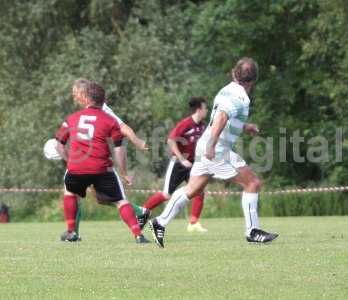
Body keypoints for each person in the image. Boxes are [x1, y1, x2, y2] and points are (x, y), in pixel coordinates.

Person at [149, 57, 279, 247]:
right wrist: (212, 145)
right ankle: (252, 231)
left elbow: (225, 117)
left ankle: (159, 222)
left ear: (234, 73)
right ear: (254, 80)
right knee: (253, 182)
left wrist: (244, 126)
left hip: (204, 145)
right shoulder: (241, 97)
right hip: (216, 149)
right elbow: (221, 117)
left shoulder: (226, 89)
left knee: (191, 190)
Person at [55, 81, 149, 243]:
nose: (74, 96)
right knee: (112, 198)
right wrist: (124, 172)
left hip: (80, 163)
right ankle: (138, 232)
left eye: (76, 92)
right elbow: (119, 147)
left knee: (73, 193)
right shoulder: (100, 115)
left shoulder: (95, 114)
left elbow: (123, 127)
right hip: (99, 165)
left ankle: (72, 232)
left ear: (85, 96)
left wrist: (136, 141)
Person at [142, 97, 208, 232]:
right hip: (178, 164)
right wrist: (182, 159)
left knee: (199, 192)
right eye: (205, 108)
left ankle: (193, 223)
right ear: (199, 110)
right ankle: (141, 212)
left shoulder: (202, 125)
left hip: (193, 165)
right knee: (166, 195)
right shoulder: (185, 124)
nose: (207, 111)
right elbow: (171, 140)